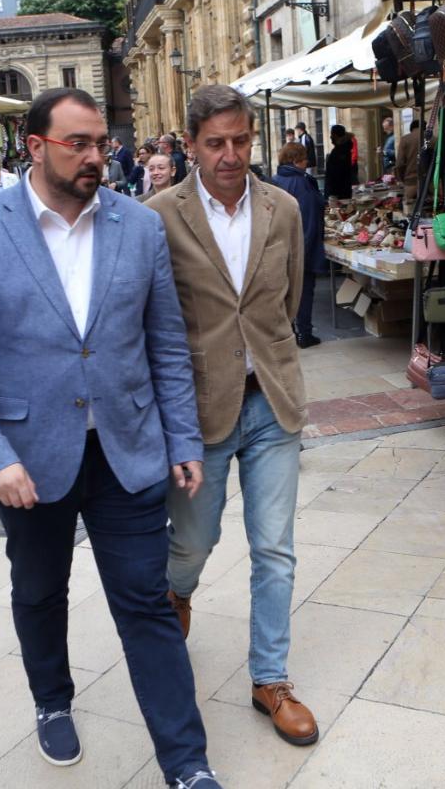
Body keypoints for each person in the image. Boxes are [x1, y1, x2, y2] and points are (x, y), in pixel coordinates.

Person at [0, 87, 220, 789]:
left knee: (145, 602)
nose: (96, 156)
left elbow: (166, 345)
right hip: (28, 457)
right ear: (35, 147)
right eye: (78, 143)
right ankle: (52, 701)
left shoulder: (138, 227)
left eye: (99, 143)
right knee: (39, 589)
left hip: (127, 449)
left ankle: (187, 763)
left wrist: (183, 438)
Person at [147, 84, 318, 748]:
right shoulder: (158, 215)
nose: (230, 154)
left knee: (275, 548)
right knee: (193, 542)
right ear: (189, 144)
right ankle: (177, 594)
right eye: (215, 142)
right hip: (199, 410)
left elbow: (287, 299)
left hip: (273, 400)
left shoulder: (282, 208)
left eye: (240, 140)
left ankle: (270, 679)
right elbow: (150, 320)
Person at [271, 142, 326, 349]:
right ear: (296, 161)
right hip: (300, 246)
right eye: (304, 159)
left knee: (285, 292)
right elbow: (309, 220)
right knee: (303, 291)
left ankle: (290, 332)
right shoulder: (303, 183)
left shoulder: (275, 181)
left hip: (278, 246)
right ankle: (304, 333)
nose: (307, 163)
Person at [395, 120, 422, 206]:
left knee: (409, 210)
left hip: (411, 180)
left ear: (411, 128)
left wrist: (402, 179)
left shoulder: (405, 139)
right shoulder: (434, 139)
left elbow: (399, 164)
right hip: (432, 181)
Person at [324, 124, 353, 199]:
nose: (330, 137)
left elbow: (337, 173)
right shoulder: (342, 149)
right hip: (341, 189)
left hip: (338, 191)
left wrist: (332, 192)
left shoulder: (340, 151)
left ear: (336, 135)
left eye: (332, 134)